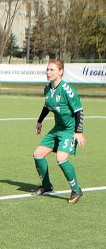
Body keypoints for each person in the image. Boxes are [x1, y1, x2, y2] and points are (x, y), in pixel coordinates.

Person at [33, 59, 85, 203]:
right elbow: (47, 105)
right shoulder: (48, 88)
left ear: (61, 72)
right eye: (47, 69)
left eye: (52, 70)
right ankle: (46, 185)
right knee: (37, 155)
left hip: (69, 130)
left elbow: (79, 111)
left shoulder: (67, 90)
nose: (48, 72)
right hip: (57, 129)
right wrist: (40, 121)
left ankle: (76, 189)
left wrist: (78, 132)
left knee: (61, 159)